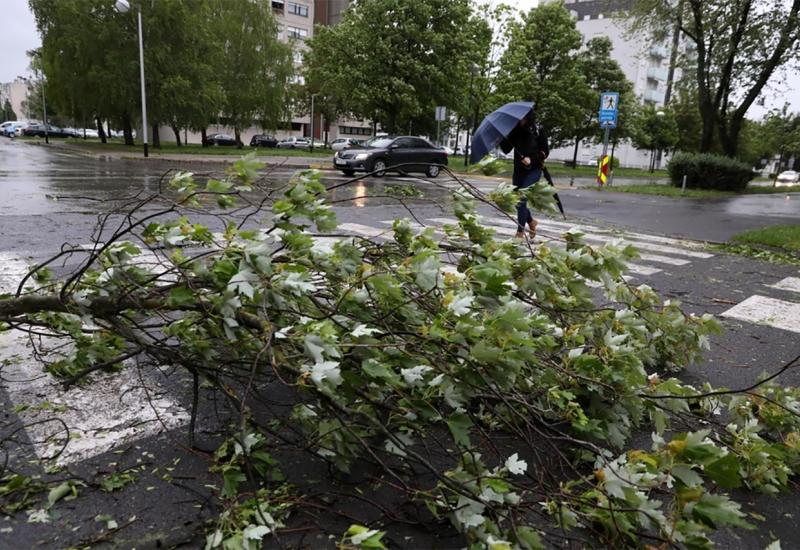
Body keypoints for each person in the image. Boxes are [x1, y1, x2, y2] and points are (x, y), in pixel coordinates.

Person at [501, 112, 549, 239]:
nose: (519, 119)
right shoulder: (515, 131)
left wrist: (531, 159)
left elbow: (545, 152)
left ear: (528, 117)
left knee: (522, 197)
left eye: (521, 117)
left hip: (534, 170)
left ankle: (519, 232)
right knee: (518, 201)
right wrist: (502, 136)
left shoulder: (538, 130)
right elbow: (506, 149)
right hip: (518, 171)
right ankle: (531, 222)